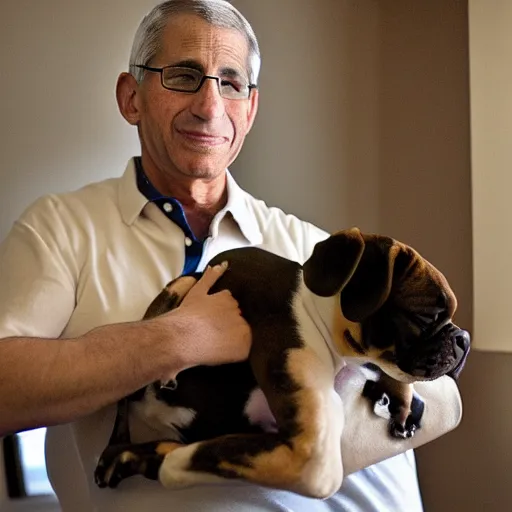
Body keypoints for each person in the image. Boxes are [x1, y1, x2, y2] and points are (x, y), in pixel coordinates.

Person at [0, 1, 425, 510]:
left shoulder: (318, 252)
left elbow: (431, 395)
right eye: (183, 76)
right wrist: (178, 338)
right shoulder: (61, 230)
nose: (210, 104)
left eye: (231, 82)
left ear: (251, 108)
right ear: (130, 97)